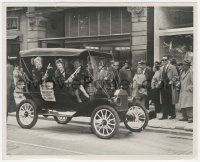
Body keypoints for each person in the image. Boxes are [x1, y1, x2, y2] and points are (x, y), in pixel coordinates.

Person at [159, 55, 179, 120]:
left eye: (165, 60)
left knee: (170, 100)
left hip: (170, 86)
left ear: (168, 60)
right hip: (163, 85)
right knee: (164, 100)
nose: (164, 61)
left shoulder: (172, 67)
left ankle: (173, 114)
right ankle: (164, 115)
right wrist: (159, 82)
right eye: (163, 60)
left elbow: (176, 76)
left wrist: (171, 81)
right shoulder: (161, 68)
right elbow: (160, 77)